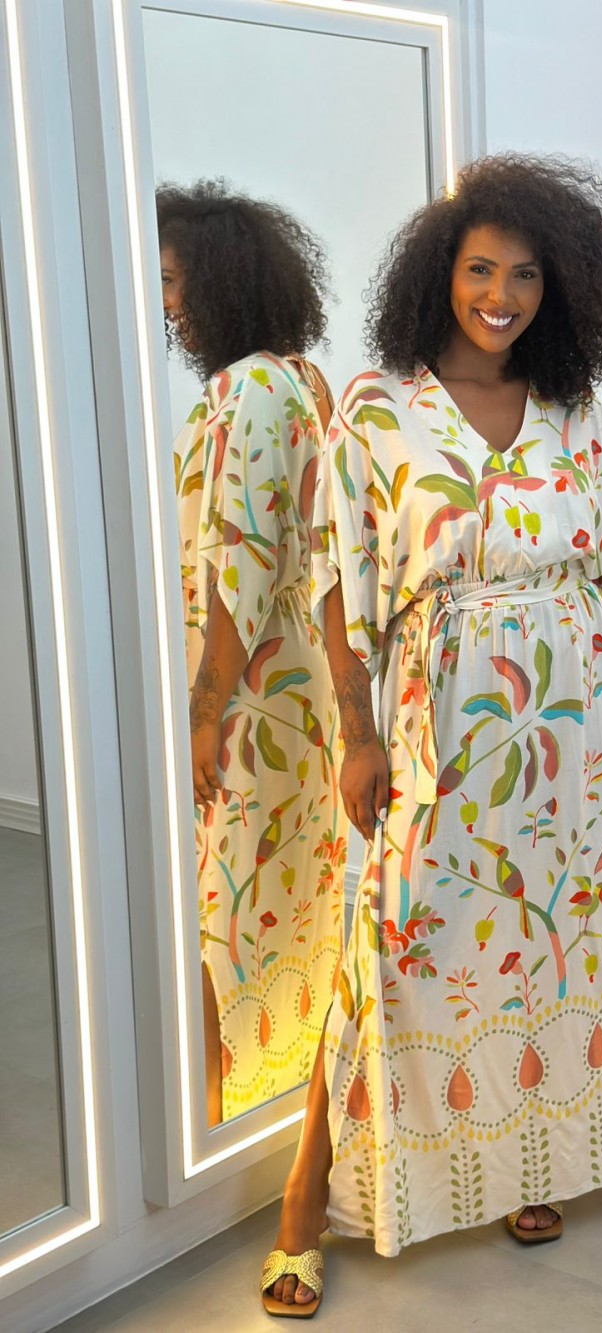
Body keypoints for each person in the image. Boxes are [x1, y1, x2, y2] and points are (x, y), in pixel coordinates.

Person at [260, 153, 602, 1316]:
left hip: (575, 721)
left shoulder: (574, 408)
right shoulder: (378, 409)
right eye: (482, 269)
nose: (503, 296)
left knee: (546, 944)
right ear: (439, 273)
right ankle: (302, 1204)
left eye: (527, 275)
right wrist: (356, 734)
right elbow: (339, 582)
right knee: (392, 946)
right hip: (439, 717)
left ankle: (524, 1159)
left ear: (561, 286)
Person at [159, 180, 345, 1126]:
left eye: (173, 282)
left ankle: (213, 1126)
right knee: (291, 903)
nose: (165, 305)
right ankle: (282, 1114)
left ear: (219, 281)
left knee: (220, 919)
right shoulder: (303, 380)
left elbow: (241, 560)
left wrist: (204, 713)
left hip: (248, 692)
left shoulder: (245, 390)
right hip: (296, 687)